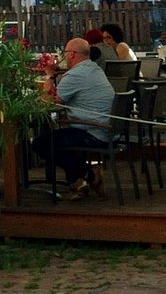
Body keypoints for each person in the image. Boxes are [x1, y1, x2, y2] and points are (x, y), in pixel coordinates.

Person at [33, 36, 115, 200]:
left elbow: (47, 102)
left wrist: (49, 75)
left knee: (41, 144)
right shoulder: (94, 69)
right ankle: (79, 182)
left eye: (65, 53)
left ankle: (90, 176)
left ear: (71, 54)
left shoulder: (75, 75)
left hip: (93, 131)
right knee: (59, 138)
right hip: (106, 128)